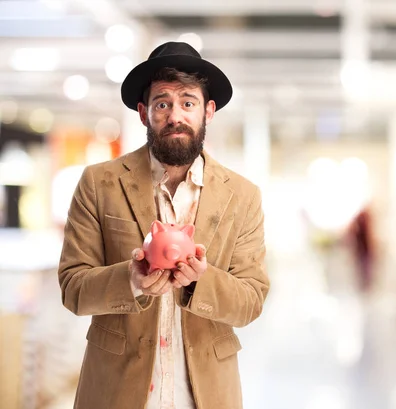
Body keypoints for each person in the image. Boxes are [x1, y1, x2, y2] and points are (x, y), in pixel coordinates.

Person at [57, 41, 269, 409]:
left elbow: (250, 301)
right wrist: (130, 280)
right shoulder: (98, 183)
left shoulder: (243, 196)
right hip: (115, 391)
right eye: (162, 104)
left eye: (188, 102)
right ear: (143, 113)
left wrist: (201, 280)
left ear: (208, 111)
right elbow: (73, 287)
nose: (176, 116)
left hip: (206, 394)